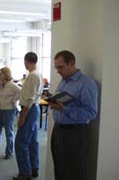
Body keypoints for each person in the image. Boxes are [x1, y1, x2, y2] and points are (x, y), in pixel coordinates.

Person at [48, 50, 98, 180]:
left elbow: (91, 113)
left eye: (60, 67)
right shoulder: (64, 81)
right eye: (56, 67)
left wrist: (64, 109)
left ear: (71, 63)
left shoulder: (86, 83)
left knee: (73, 172)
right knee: (59, 169)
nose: (58, 71)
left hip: (75, 134)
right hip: (58, 130)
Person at [14, 52, 43, 180]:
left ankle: (25, 173)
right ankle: (33, 168)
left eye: (24, 61)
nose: (24, 64)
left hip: (29, 110)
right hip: (33, 109)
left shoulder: (32, 76)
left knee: (21, 143)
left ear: (27, 61)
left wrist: (22, 116)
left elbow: (30, 99)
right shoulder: (38, 74)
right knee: (32, 141)